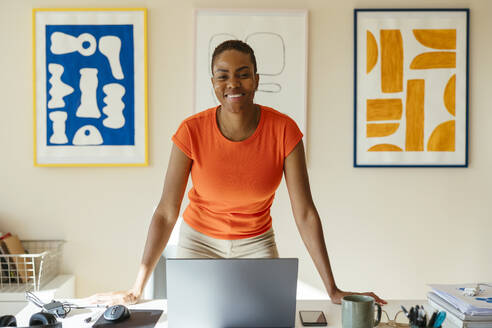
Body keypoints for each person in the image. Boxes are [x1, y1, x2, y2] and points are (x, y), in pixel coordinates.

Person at [90, 40, 386, 306]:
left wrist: (332, 289)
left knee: (267, 317)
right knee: (195, 319)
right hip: (199, 243)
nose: (234, 83)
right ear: (213, 82)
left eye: (243, 74)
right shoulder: (191, 131)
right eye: (223, 76)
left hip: (257, 242)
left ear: (256, 80)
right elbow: (167, 212)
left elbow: (305, 213)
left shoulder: (284, 130)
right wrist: (136, 288)